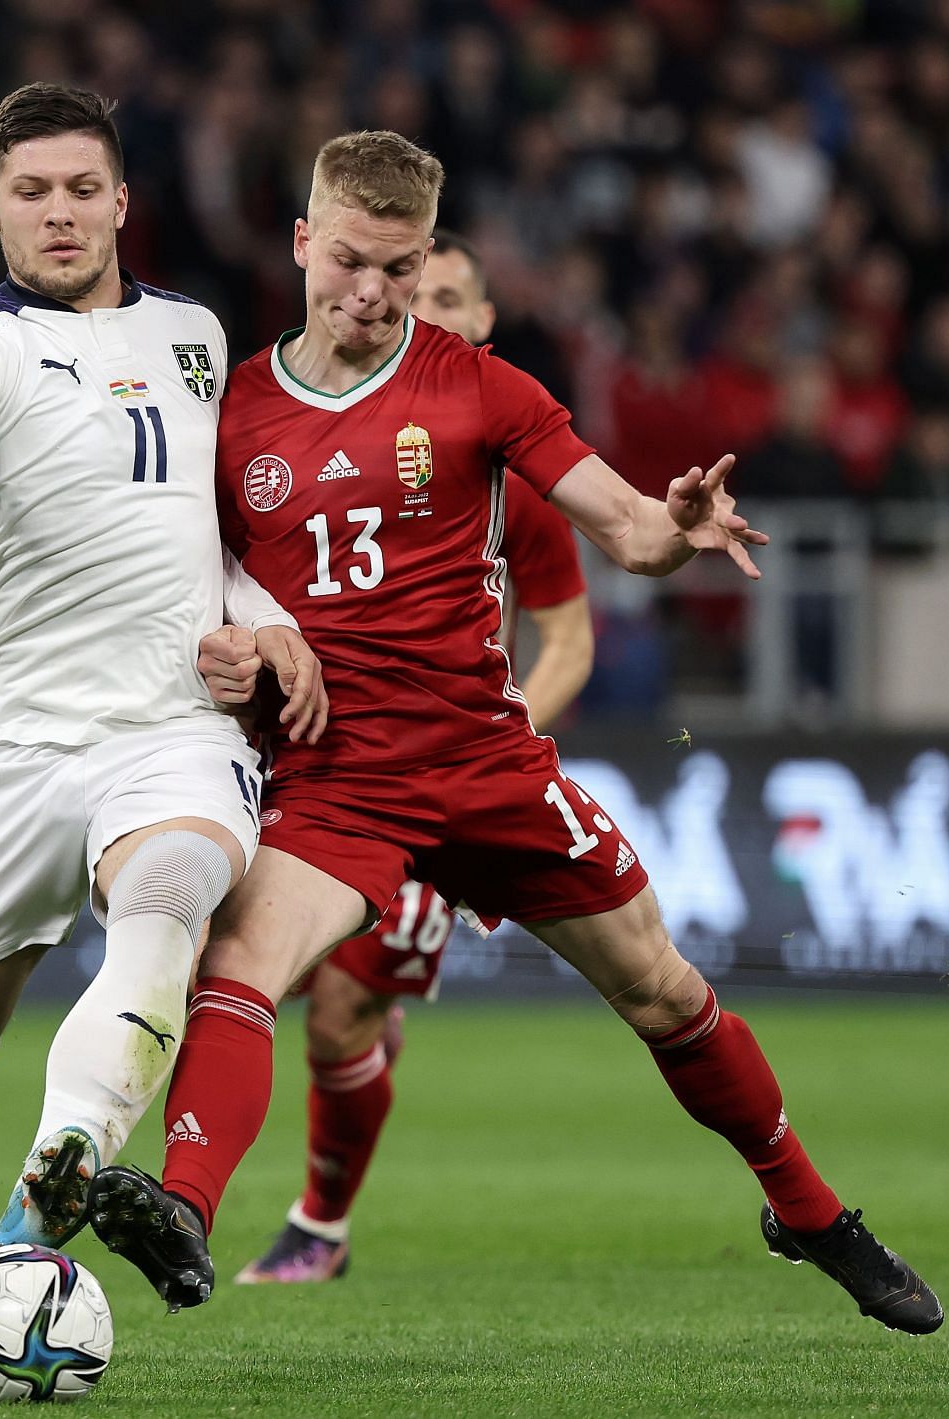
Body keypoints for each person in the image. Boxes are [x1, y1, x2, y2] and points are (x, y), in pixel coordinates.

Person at [87, 132, 942, 1338]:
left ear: (427, 257)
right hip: (339, 779)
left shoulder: (483, 387)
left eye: (397, 268)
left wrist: (674, 525)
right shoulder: (228, 412)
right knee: (241, 966)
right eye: (348, 262)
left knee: (660, 989)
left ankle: (805, 1209)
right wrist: (231, 654)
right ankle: (183, 1210)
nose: (371, 294)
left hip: (487, 760)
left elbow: (628, 532)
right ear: (301, 243)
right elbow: (197, 590)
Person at [0, 83, 327, 1256]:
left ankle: (33, 1226)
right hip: (19, 745)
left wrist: (263, 618)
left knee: (168, 900)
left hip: (174, 727)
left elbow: (212, 527)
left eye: (80, 190)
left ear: (121, 200)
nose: (58, 214)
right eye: (31, 194)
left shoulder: (196, 336)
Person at [237, 230, 594, 1285]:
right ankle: (358, 1072)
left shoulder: (510, 463)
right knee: (273, 982)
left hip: (444, 782)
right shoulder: (300, 433)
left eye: (446, 297)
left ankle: (320, 1228)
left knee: (341, 1005)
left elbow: (568, 638)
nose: (422, 311)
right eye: (408, 290)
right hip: (311, 772)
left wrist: (489, 734)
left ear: (484, 324)